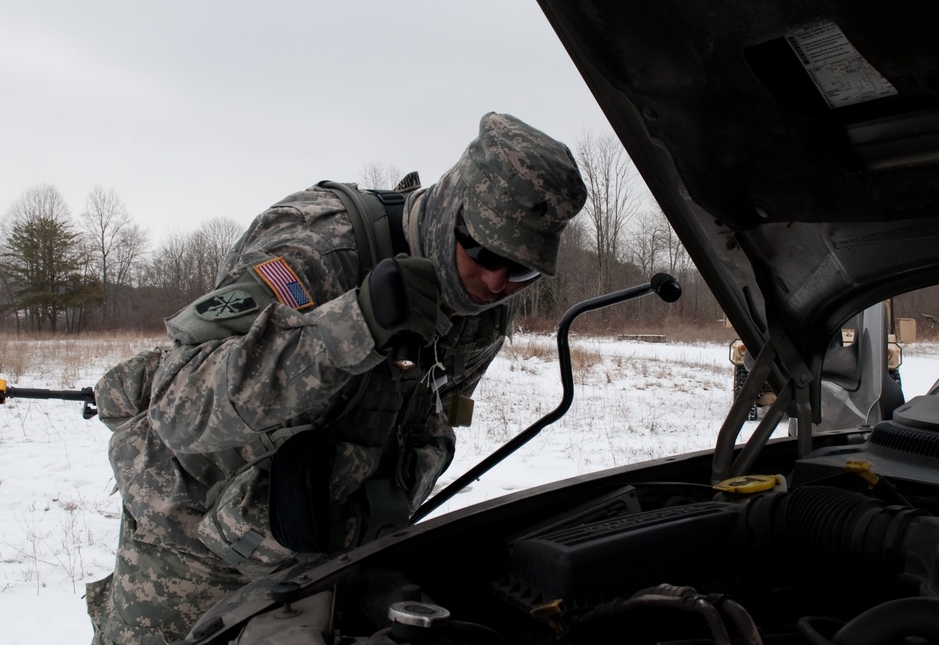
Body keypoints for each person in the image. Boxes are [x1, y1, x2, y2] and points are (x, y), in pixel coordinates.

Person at [86, 111, 588, 645]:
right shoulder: (318, 250)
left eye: (522, 269)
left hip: (320, 551)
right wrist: (355, 325)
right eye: (483, 251)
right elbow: (178, 408)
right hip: (189, 547)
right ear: (449, 208)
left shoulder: (484, 313)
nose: (495, 280)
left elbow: (432, 413)